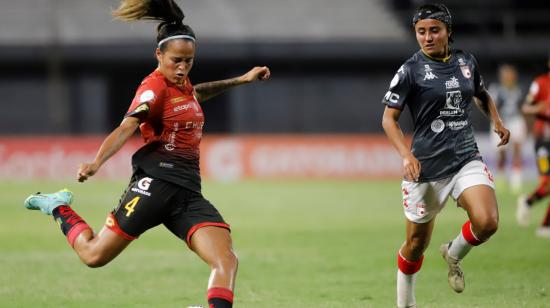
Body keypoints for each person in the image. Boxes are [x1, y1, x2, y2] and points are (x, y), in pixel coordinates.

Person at [23, 1, 270, 307]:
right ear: (159, 55)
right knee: (93, 255)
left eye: (189, 62)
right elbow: (128, 126)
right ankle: (58, 206)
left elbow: (196, 94)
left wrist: (241, 80)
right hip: (155, 185)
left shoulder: (181, 82)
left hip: (187, 193)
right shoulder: (153, 88)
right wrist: (97, 162)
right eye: (176, 61)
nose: (182, 68)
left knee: (226, 261)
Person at [381, 4, 510, 307]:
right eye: (421, 32)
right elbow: (389, 119)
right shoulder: (410, 70)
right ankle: (406, 303)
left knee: (487, 221)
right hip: (425, 169)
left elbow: (481, 93)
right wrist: (406, 156)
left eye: (434, 30)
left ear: (448, 32)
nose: (427, 37)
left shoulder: (465, 61)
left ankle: (453, 253)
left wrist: (497, 121)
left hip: (465, 157)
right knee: (415, 245)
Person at [516, 54, 550, 238]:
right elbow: (525, 108)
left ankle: (545, 226)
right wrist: (541, 108)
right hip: (543, 141)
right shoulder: (540, 82)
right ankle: (528, 202)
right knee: (546, 183)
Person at [488, 64, 527, 192]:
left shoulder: (520, 89)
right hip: (501, 122)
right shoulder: (496, 89)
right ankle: (501, 177)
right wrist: (496, 122)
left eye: (510, 74)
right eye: (505, 74)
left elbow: (523, 107)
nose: (508, 77)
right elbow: (491, 107)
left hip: (516, 120)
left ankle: (516, 180)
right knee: (501, 153)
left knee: (517, 149)